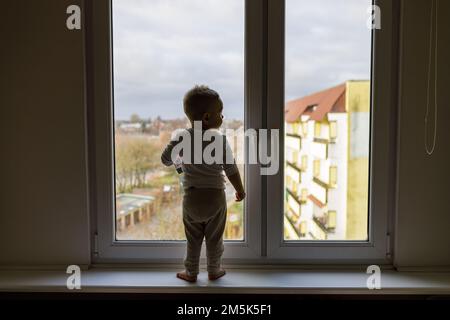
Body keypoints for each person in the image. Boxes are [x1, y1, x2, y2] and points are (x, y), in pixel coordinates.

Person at [161, 85, 245, 282]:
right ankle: (214, 270)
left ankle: (190, 272)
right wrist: (240, 189)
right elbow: (231, 169)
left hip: (191, 198)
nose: (222, 117)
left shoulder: (181, 138)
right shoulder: (219, 140)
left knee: (193, 239)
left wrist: (180, 162)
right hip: (215, 198)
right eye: (220, 113)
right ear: (207, 117)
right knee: (215, 239)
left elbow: (165, 159)